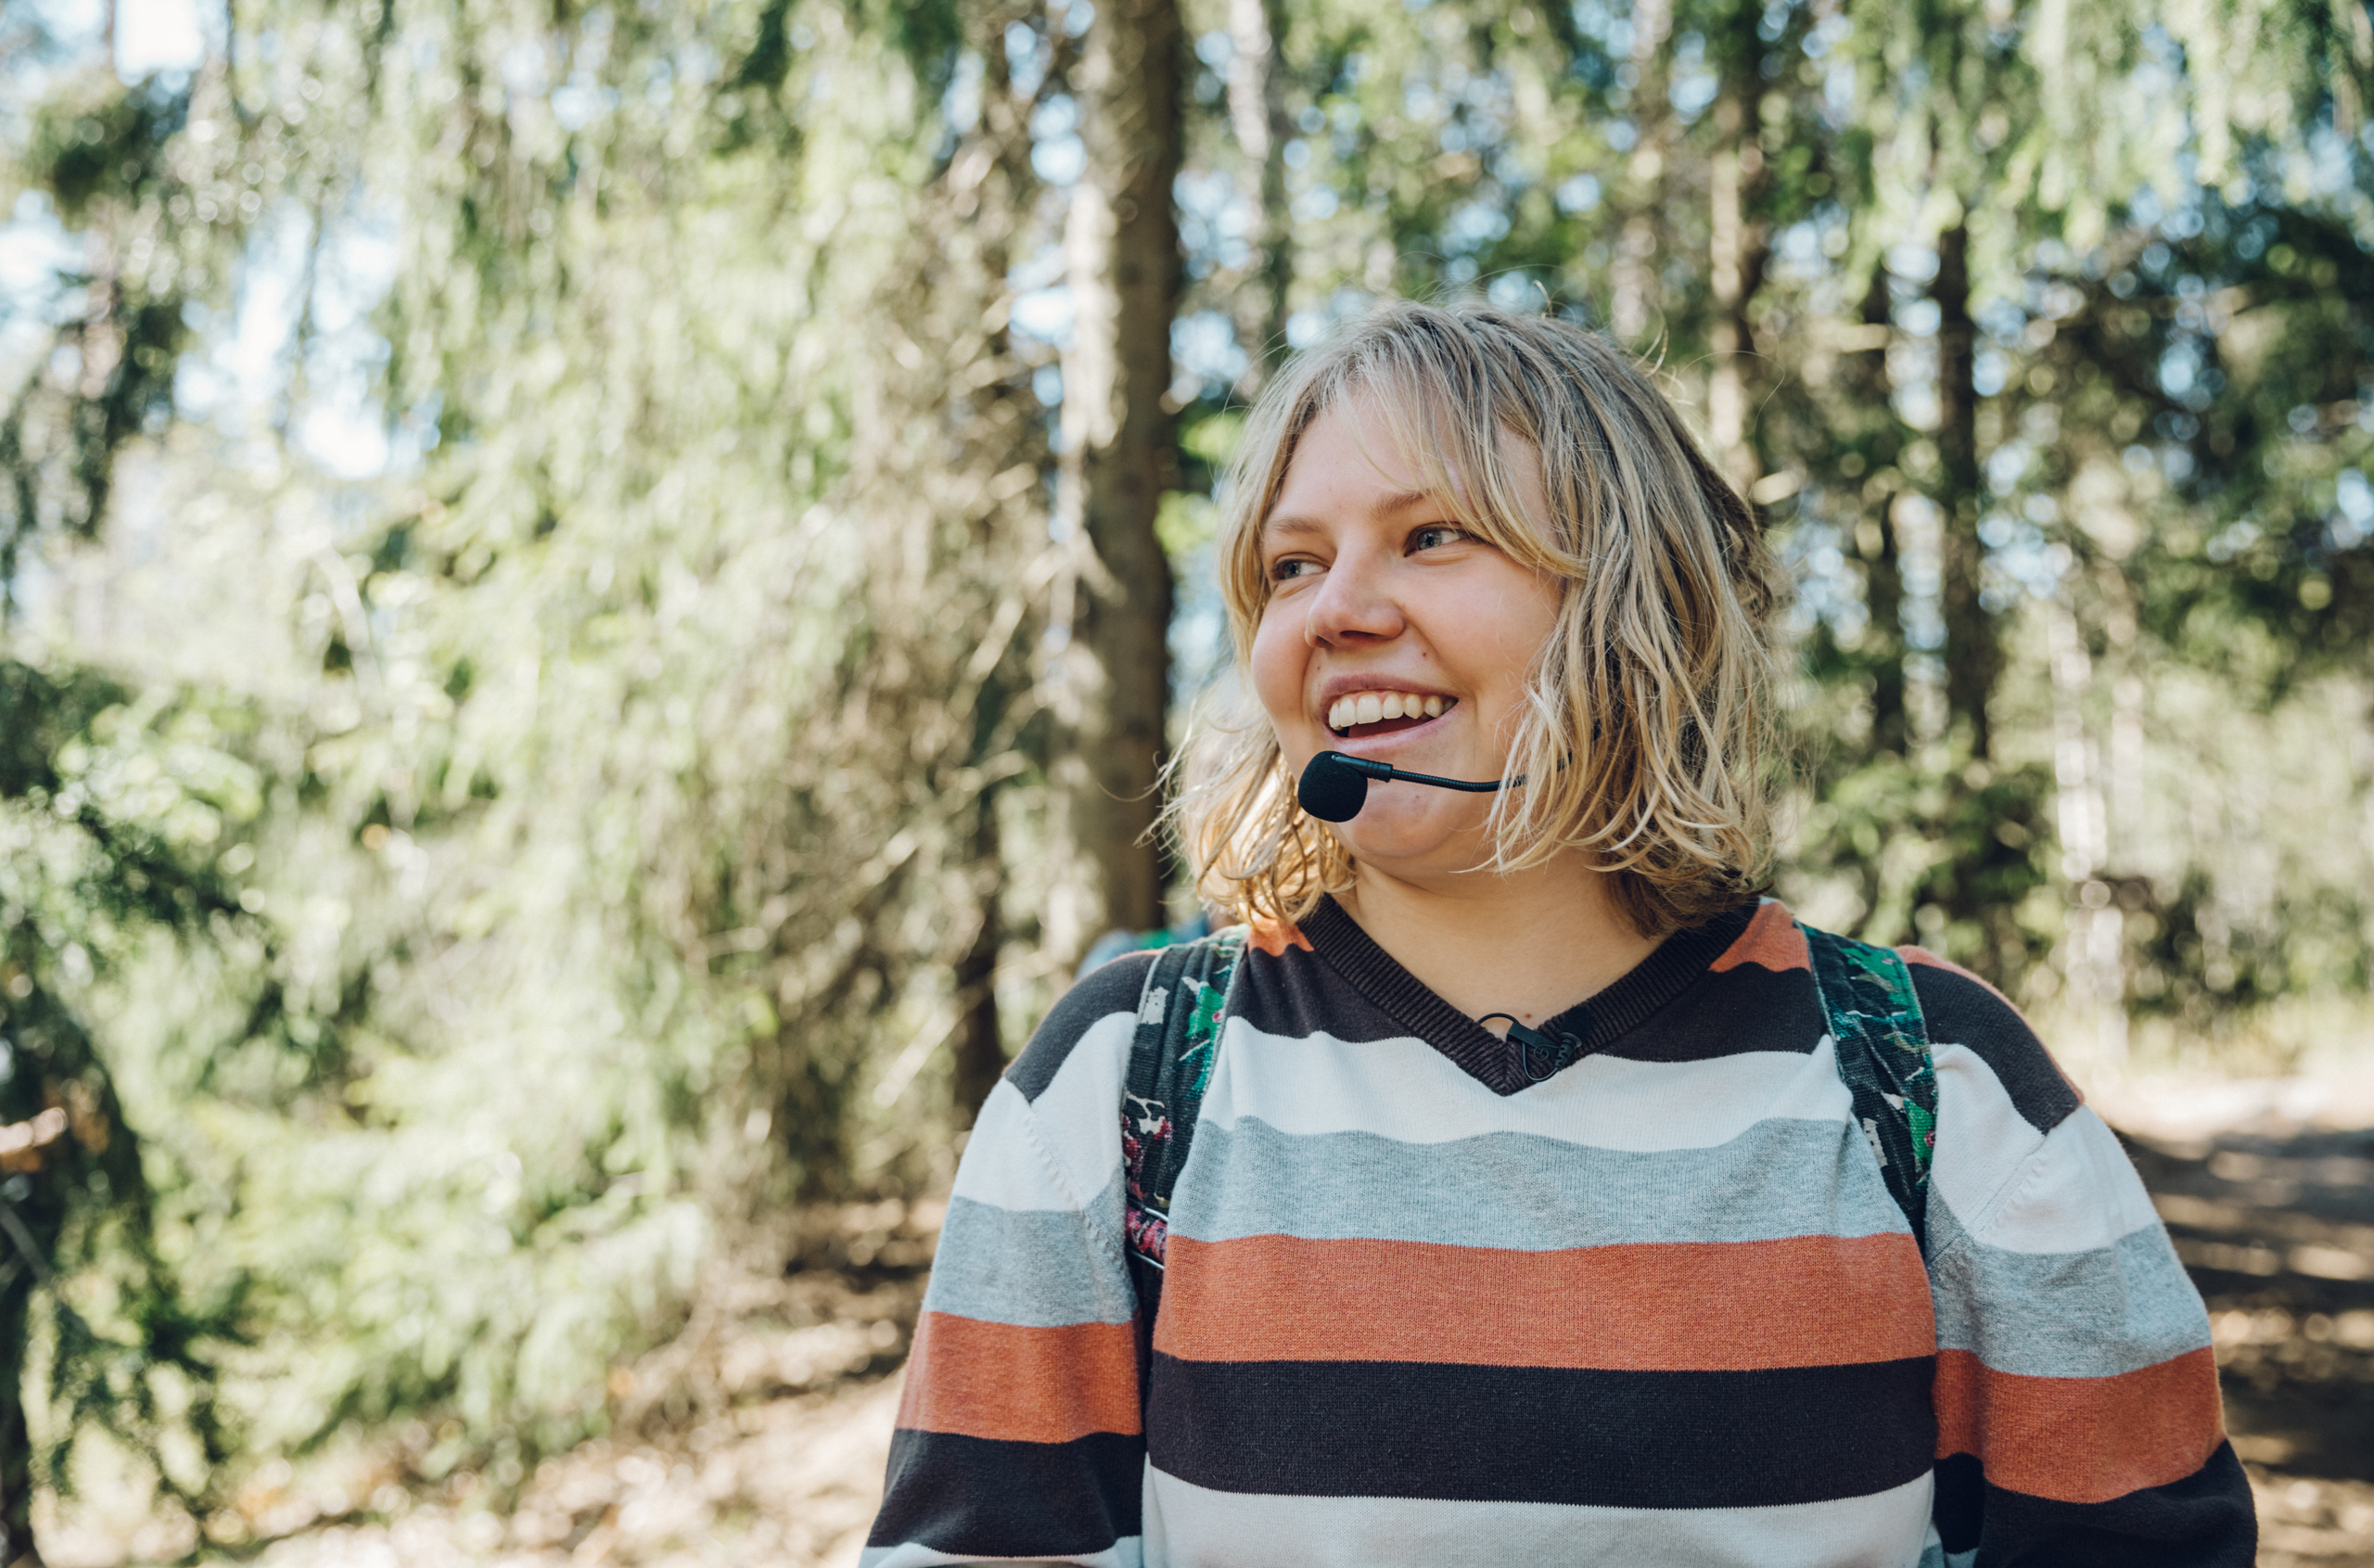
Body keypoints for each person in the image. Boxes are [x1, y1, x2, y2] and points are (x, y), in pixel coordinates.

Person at [863, 301, 2253, 1566]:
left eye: (1432, 536)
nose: (1336, 610)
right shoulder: (1126, 1077)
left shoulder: (1934, 1078)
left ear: (1638, 602)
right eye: (1290, 566)